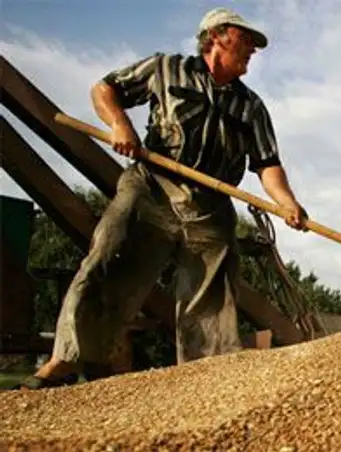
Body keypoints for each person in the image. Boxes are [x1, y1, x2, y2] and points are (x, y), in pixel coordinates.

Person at [15, 7, 308, 389]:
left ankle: (206, 378)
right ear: (218, 36)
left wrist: (286, 202)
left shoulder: (251, 107)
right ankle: (68, 359)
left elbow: (268, 164)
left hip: (209, 205)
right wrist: (120, 124)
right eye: (246, 39)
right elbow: (104, 89)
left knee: (212, 293)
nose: (253, 48)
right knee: (109, 258)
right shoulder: (165, 69)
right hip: (152, 188)